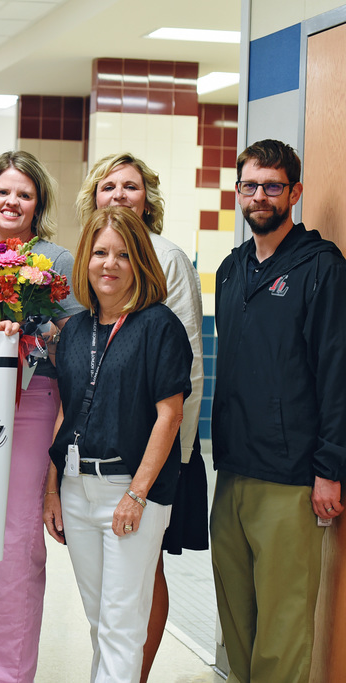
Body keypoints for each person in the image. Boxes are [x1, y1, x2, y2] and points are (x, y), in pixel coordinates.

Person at [211, 139, 346, 683]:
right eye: (250, 185)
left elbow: (337, 373)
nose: (260, 195)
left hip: (291, 478)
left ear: (294, 192)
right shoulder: (230, 269)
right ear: (238, 191)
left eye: (272, 185)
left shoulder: (322, 268)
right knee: (236, 621)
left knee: (283, 629)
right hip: (232, 471)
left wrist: (330, 469)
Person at [0, 151, 82, 683]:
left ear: (38, 204)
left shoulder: (59, 260)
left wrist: (36, 332)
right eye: (3, 192)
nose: (12, 202)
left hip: (33, 404)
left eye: (24, 194)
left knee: (16, 539)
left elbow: (77, 338)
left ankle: (5, 674)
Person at [44, 206, 191, 682]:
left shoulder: (159, 326)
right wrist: (52, 490)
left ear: (140, 263)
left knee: (123, 626)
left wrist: (137, 493)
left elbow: (169, 416)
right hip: (75, 485)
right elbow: (65, 410)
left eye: (123, 255)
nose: (109, 264)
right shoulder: (77, 331)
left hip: (129, 491)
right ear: (86, 259)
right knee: (99, 622)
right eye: (101, 253)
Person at [75, 152, 206, 681]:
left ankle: (135, 673)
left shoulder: (166, 261)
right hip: (89, 470)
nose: (121, 195)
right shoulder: (86, 297)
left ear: (147, 197)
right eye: (110, 186)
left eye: (132, 186)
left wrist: (163, 472)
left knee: (133, 592)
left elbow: (182, 375)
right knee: (106, 609)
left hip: (144, 463)